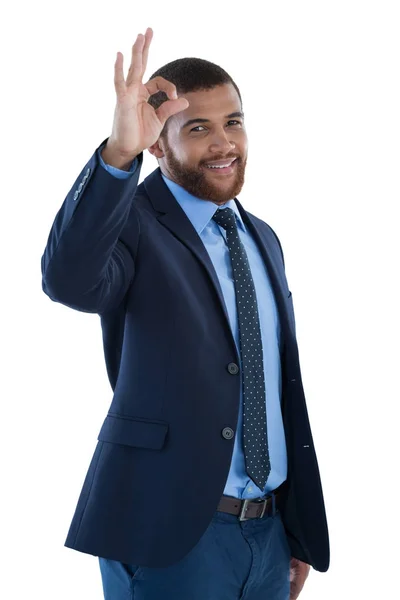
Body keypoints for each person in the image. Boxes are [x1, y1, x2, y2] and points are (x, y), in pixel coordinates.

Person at [41, 27, 329, 600]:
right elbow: (68, 280)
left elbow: (275, 390)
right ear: (157, 143)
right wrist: (116, 155)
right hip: (170, 534)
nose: (223, 143)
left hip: (268, 534)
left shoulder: (261, 238)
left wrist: (292, 530)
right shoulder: (133, 223)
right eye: (197, 128)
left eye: (233, 122)